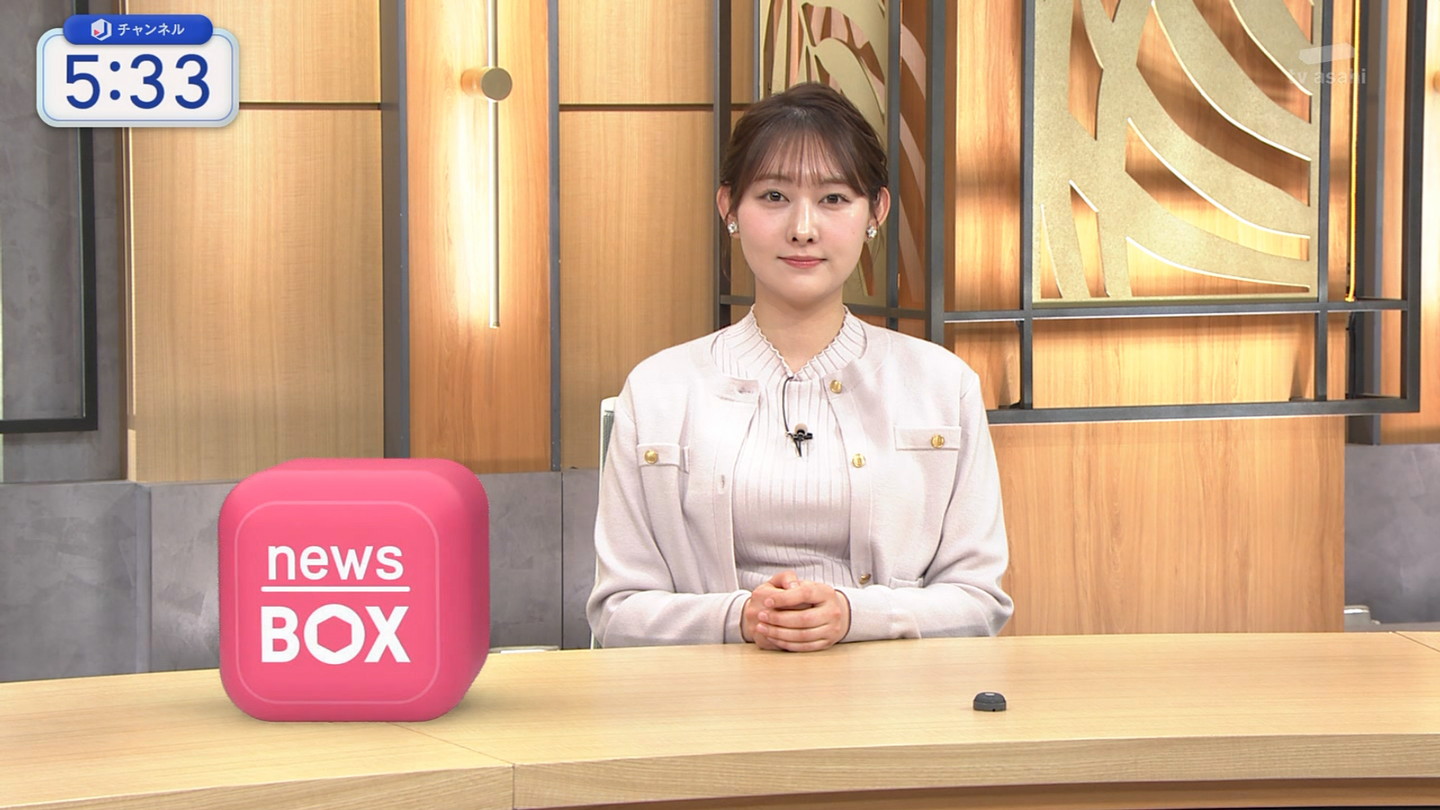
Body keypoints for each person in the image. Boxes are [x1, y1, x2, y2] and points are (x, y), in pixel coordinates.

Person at [587, 82, 1012, 652]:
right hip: (708, 695)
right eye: (773, 196)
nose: (803, 228)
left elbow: (980, 602)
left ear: (876, 211)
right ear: (729, 207)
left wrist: (854, 615)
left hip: (892, 696)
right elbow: (616, 613)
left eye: (833, 198)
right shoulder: (657, 390)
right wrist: (741, 618)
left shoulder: (942, 384)